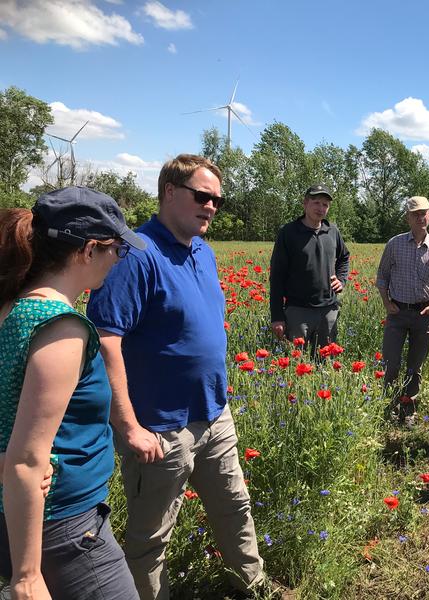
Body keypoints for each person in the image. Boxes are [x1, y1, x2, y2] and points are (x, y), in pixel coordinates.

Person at [86, 155, 264, 599]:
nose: (211, 207)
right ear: (169, 192)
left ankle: (253, 585)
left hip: (212, 412)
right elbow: (106, 342)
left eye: (217, 201)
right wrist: (128, 427)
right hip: (160, 428)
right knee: (150, 539)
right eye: (202, 196)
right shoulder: (136, 255)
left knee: (235, 508)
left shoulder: (201, 250)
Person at [0, 187, 144, 600]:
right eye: (117, 249)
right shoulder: (61, 327)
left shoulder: (11, 306)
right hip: (64, 529)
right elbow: (29, 460)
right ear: (88, 251)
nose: (118, 260)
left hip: (21, 515)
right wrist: (27, 577)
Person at [376, 196, 429, 423]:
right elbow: (382, 276)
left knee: (415, 366)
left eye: (424, 213)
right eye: (415, 214)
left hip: (423, 314)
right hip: (397, 312)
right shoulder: (395, 244)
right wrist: (386, 303)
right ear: (407, 218)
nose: (421, 217)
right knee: (390, 363)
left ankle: (409, 409)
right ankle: (388, 406)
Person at [270, 184, 350, 353]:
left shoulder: (332, 231)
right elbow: (276, 276)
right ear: (305, 203)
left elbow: (344, 257)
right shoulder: (289, 232)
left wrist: (341, 280)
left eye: (325, 205)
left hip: (329, 310)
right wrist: (277, 316)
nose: (321, 208)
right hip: (298, 312)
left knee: (325, 363)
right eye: (316, 202)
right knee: (296, 364)